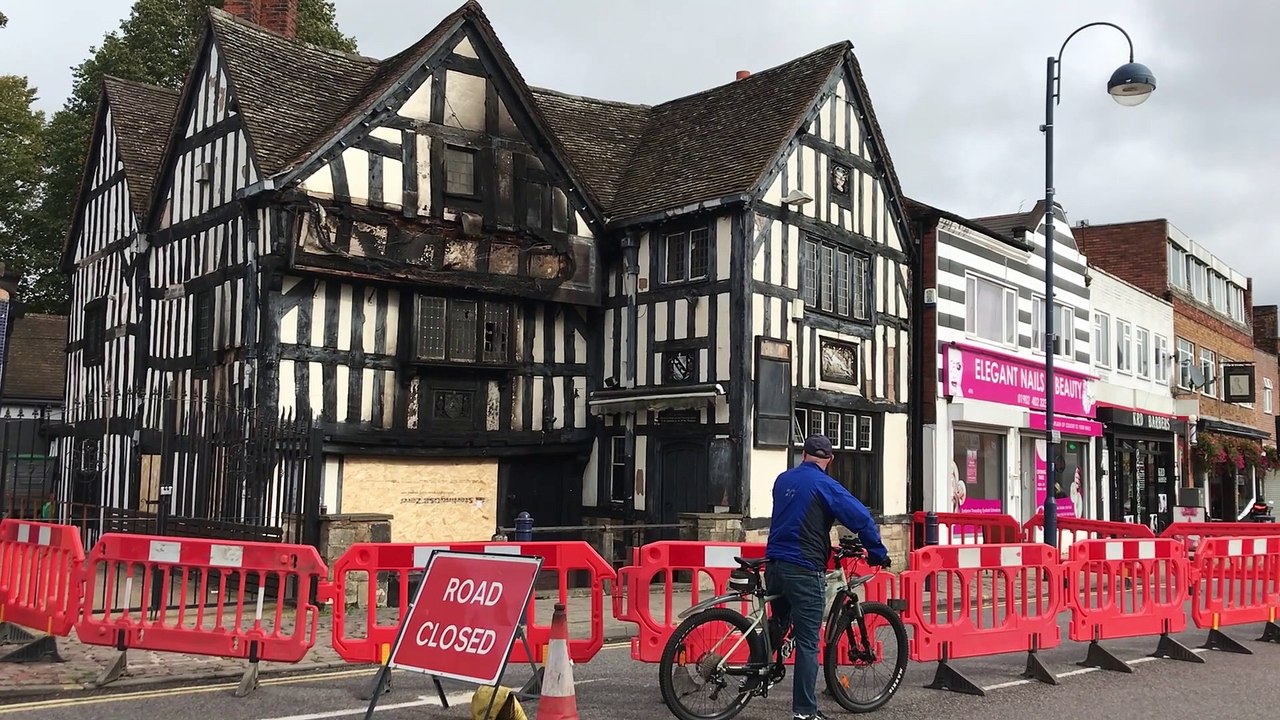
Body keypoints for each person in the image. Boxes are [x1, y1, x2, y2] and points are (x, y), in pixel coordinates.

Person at [764, 434, 891, 720]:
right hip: (803, 568)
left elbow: (797, 517)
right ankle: (805, 712)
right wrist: (877, 552)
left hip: (773, 565)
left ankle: (753, 676)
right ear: (830, 460)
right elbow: (860, 518)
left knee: (778, 622)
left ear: (803, 454)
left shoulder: (783, 480)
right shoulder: (825, 484)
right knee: (809, 642)